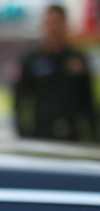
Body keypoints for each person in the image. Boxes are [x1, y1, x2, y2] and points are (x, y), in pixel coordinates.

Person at [13, 3, 98, 142]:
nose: (54, 27)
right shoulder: (31, 59)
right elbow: (20, 100)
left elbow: (88, 100)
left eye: (58, 22)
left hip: (72, 132)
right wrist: (22, 132)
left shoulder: (78, 59)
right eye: (50, 22)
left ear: (65, 25)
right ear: (44, 24)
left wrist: (93, 135)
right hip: (41, 133)